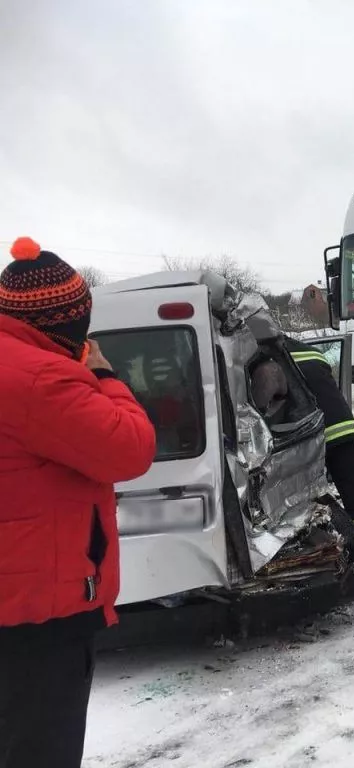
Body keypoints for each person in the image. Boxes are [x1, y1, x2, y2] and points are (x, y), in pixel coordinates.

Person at [0, 237, 157, 768]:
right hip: (36, 614)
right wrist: (105, 375)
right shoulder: (39, 376)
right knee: (40, 749)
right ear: (66, 324)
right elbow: (130, 448)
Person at [282, 337, 354, 564]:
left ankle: (330, 545)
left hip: (317, 437)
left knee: (313, 497)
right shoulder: (313, 352)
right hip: (345, 429)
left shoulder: (274, 360)